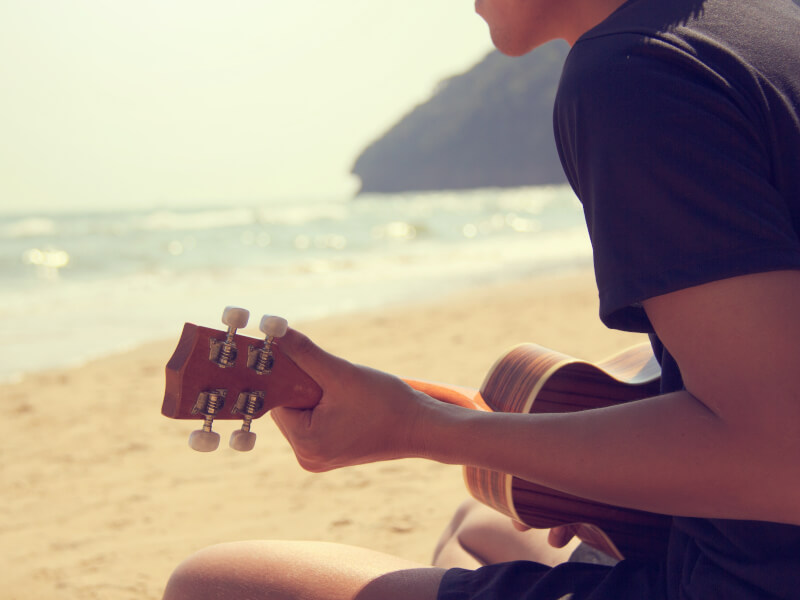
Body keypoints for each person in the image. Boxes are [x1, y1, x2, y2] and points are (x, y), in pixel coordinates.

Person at [163, 0, 800, 598]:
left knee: (213, 582)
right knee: (480, 519)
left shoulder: (635, 74)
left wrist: (423, 427)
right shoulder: (764, 28)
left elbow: (776, 458)